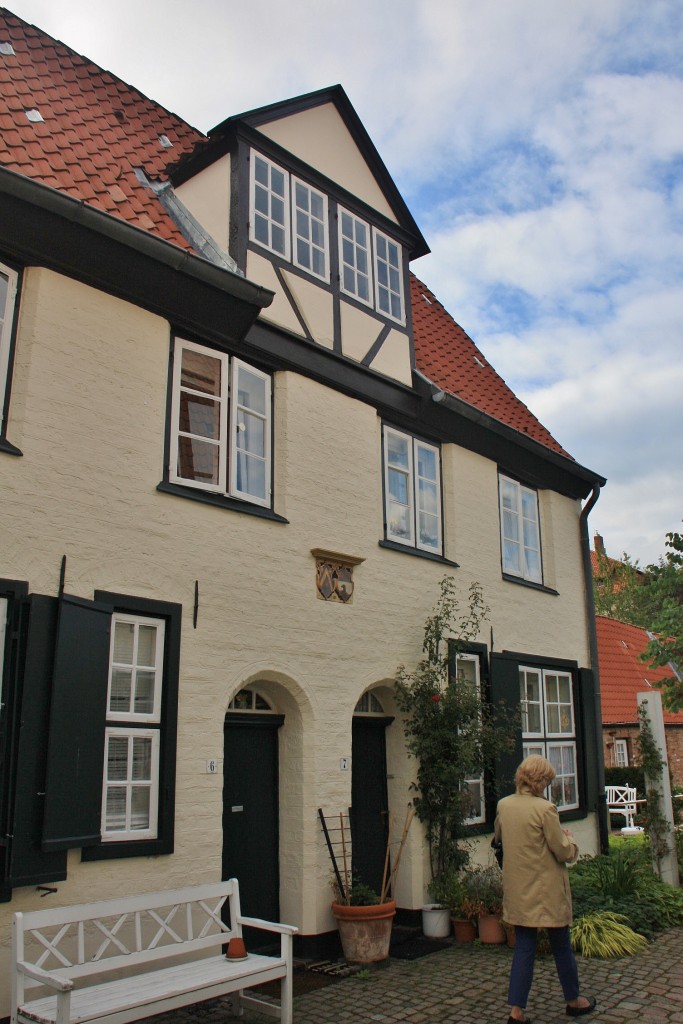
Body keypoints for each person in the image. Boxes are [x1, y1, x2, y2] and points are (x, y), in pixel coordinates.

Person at [494, 754, 597, 1024]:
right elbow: (561, 850)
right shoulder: (545, 809)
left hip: (519, 888)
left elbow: (498, 838)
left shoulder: (504, 805)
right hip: (546, 890)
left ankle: (516, 1012)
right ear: (540, 781)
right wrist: (571, 842)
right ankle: (574, 1001)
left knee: (524, 946)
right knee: (561, 944)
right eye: (548, 780)